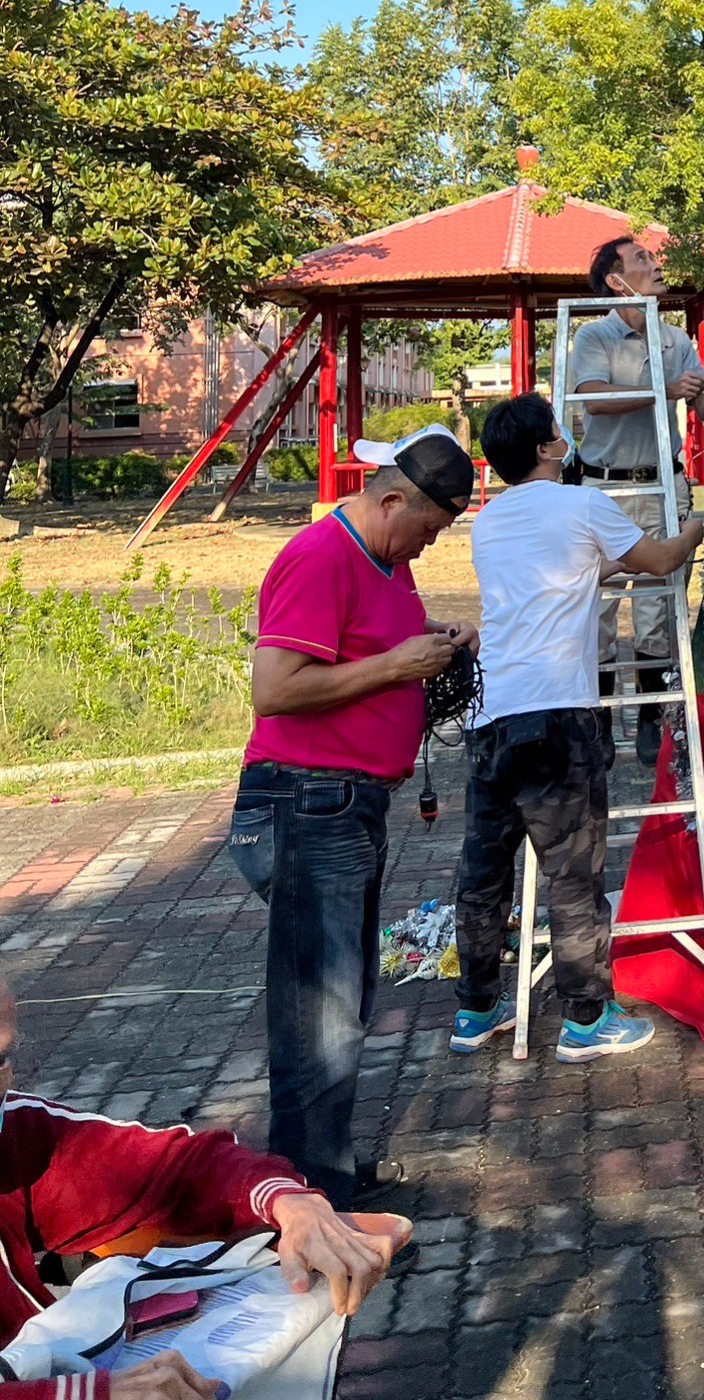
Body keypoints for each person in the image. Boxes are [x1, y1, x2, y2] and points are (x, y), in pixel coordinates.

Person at [229, 424, 476, 1208]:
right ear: (393, 499)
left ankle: (318, 1167)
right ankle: (314, 1195)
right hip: (306, 800)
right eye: (429, 530)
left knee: (342, 999)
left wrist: (431, 641)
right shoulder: (319, 556)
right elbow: (276, 689)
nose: (429, 548)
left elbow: (369, 650)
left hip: (343, 802)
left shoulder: (383, 562)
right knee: (320, 1011)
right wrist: (398, 664)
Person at [0, 973, 405, 1400]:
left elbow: (178, 1167)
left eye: (1, 1058)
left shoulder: (18, 1132)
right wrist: (87, 1394)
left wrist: (291, 1203)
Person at [450, 391, 704, 1063]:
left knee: (483, 874)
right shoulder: (583, 505)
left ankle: (475, 1010)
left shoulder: (488, 521)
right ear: (545, 448)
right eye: (560, 431)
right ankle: (586, 1021)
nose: (569, 437)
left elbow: (579, 567)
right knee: (572, 873)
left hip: (489, 715)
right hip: (558, 713)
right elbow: (656, 562)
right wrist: (692, 533)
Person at [568, 235, 704, 763]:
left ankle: (650, 717)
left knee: (660, 608)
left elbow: (703, 415)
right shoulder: (594, 336)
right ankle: (597, 719)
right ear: (615, 280)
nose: (655, 264)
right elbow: (593, 401)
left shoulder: (673, 337)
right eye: (641, 259)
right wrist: (664, 390)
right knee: (597, 606)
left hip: (663, 483)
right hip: (606, 489)